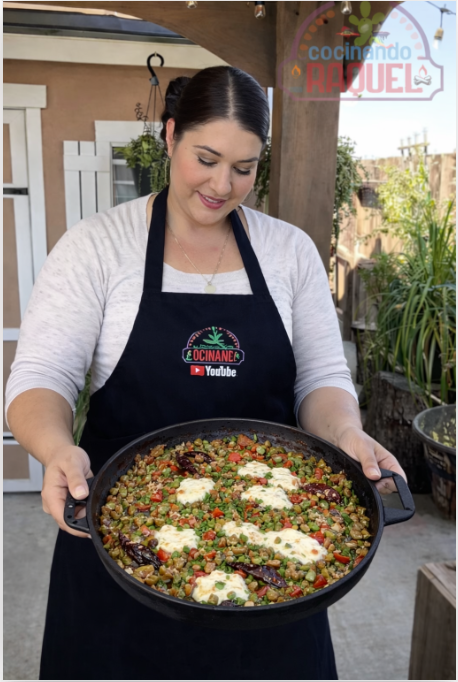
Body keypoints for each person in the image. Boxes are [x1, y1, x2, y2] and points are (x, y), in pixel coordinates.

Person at [6, 66, 405, 681]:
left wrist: (347, 433)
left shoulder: (289, 251)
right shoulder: (97, 247)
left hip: (275, 550)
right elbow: (41, 376)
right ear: (171, 136)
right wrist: (56, 449)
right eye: (207, 159)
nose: (223, 185)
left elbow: (321, 377)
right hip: (118, 538)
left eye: (244, 168)